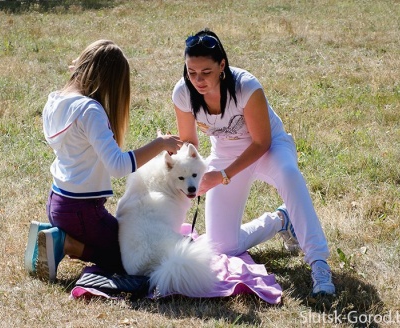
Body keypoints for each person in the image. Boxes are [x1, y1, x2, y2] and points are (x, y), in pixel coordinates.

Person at [172, 28, 335, 296]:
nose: (198, 80)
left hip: (269, 147)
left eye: (206, 72)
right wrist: (180, 163)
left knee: (289, 175)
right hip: (225, 152)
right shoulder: (183, 93)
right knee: (221, 246)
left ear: (222, 65)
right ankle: (281, 220)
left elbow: (262, 142)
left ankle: (318, 262)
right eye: (191, 72)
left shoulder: (246, 86)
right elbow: (190, 143)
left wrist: (222, 175)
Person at [24, 40, 183, 282]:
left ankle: (58, 233)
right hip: (82, 211)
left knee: (128, 245)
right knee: (131, 258)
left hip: (58, 201)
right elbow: (118, 166)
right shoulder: (90, 111)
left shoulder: (54, 100)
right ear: (111, 81)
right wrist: (160, 144)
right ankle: (65, 242)